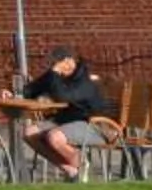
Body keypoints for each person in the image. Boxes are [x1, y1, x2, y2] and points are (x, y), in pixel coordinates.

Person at [20, 48, 109, 178]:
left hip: (94, 125)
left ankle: (81, 163)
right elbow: (31, 90)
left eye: (55, 64)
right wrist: (13, 93)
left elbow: (63, 97)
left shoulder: (84, 81)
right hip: (66, 120)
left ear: (68, 61)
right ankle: (69, 169)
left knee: (54, 137)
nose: (53, 68)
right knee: (29, 133)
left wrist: (55, 73)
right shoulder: (57, 75)